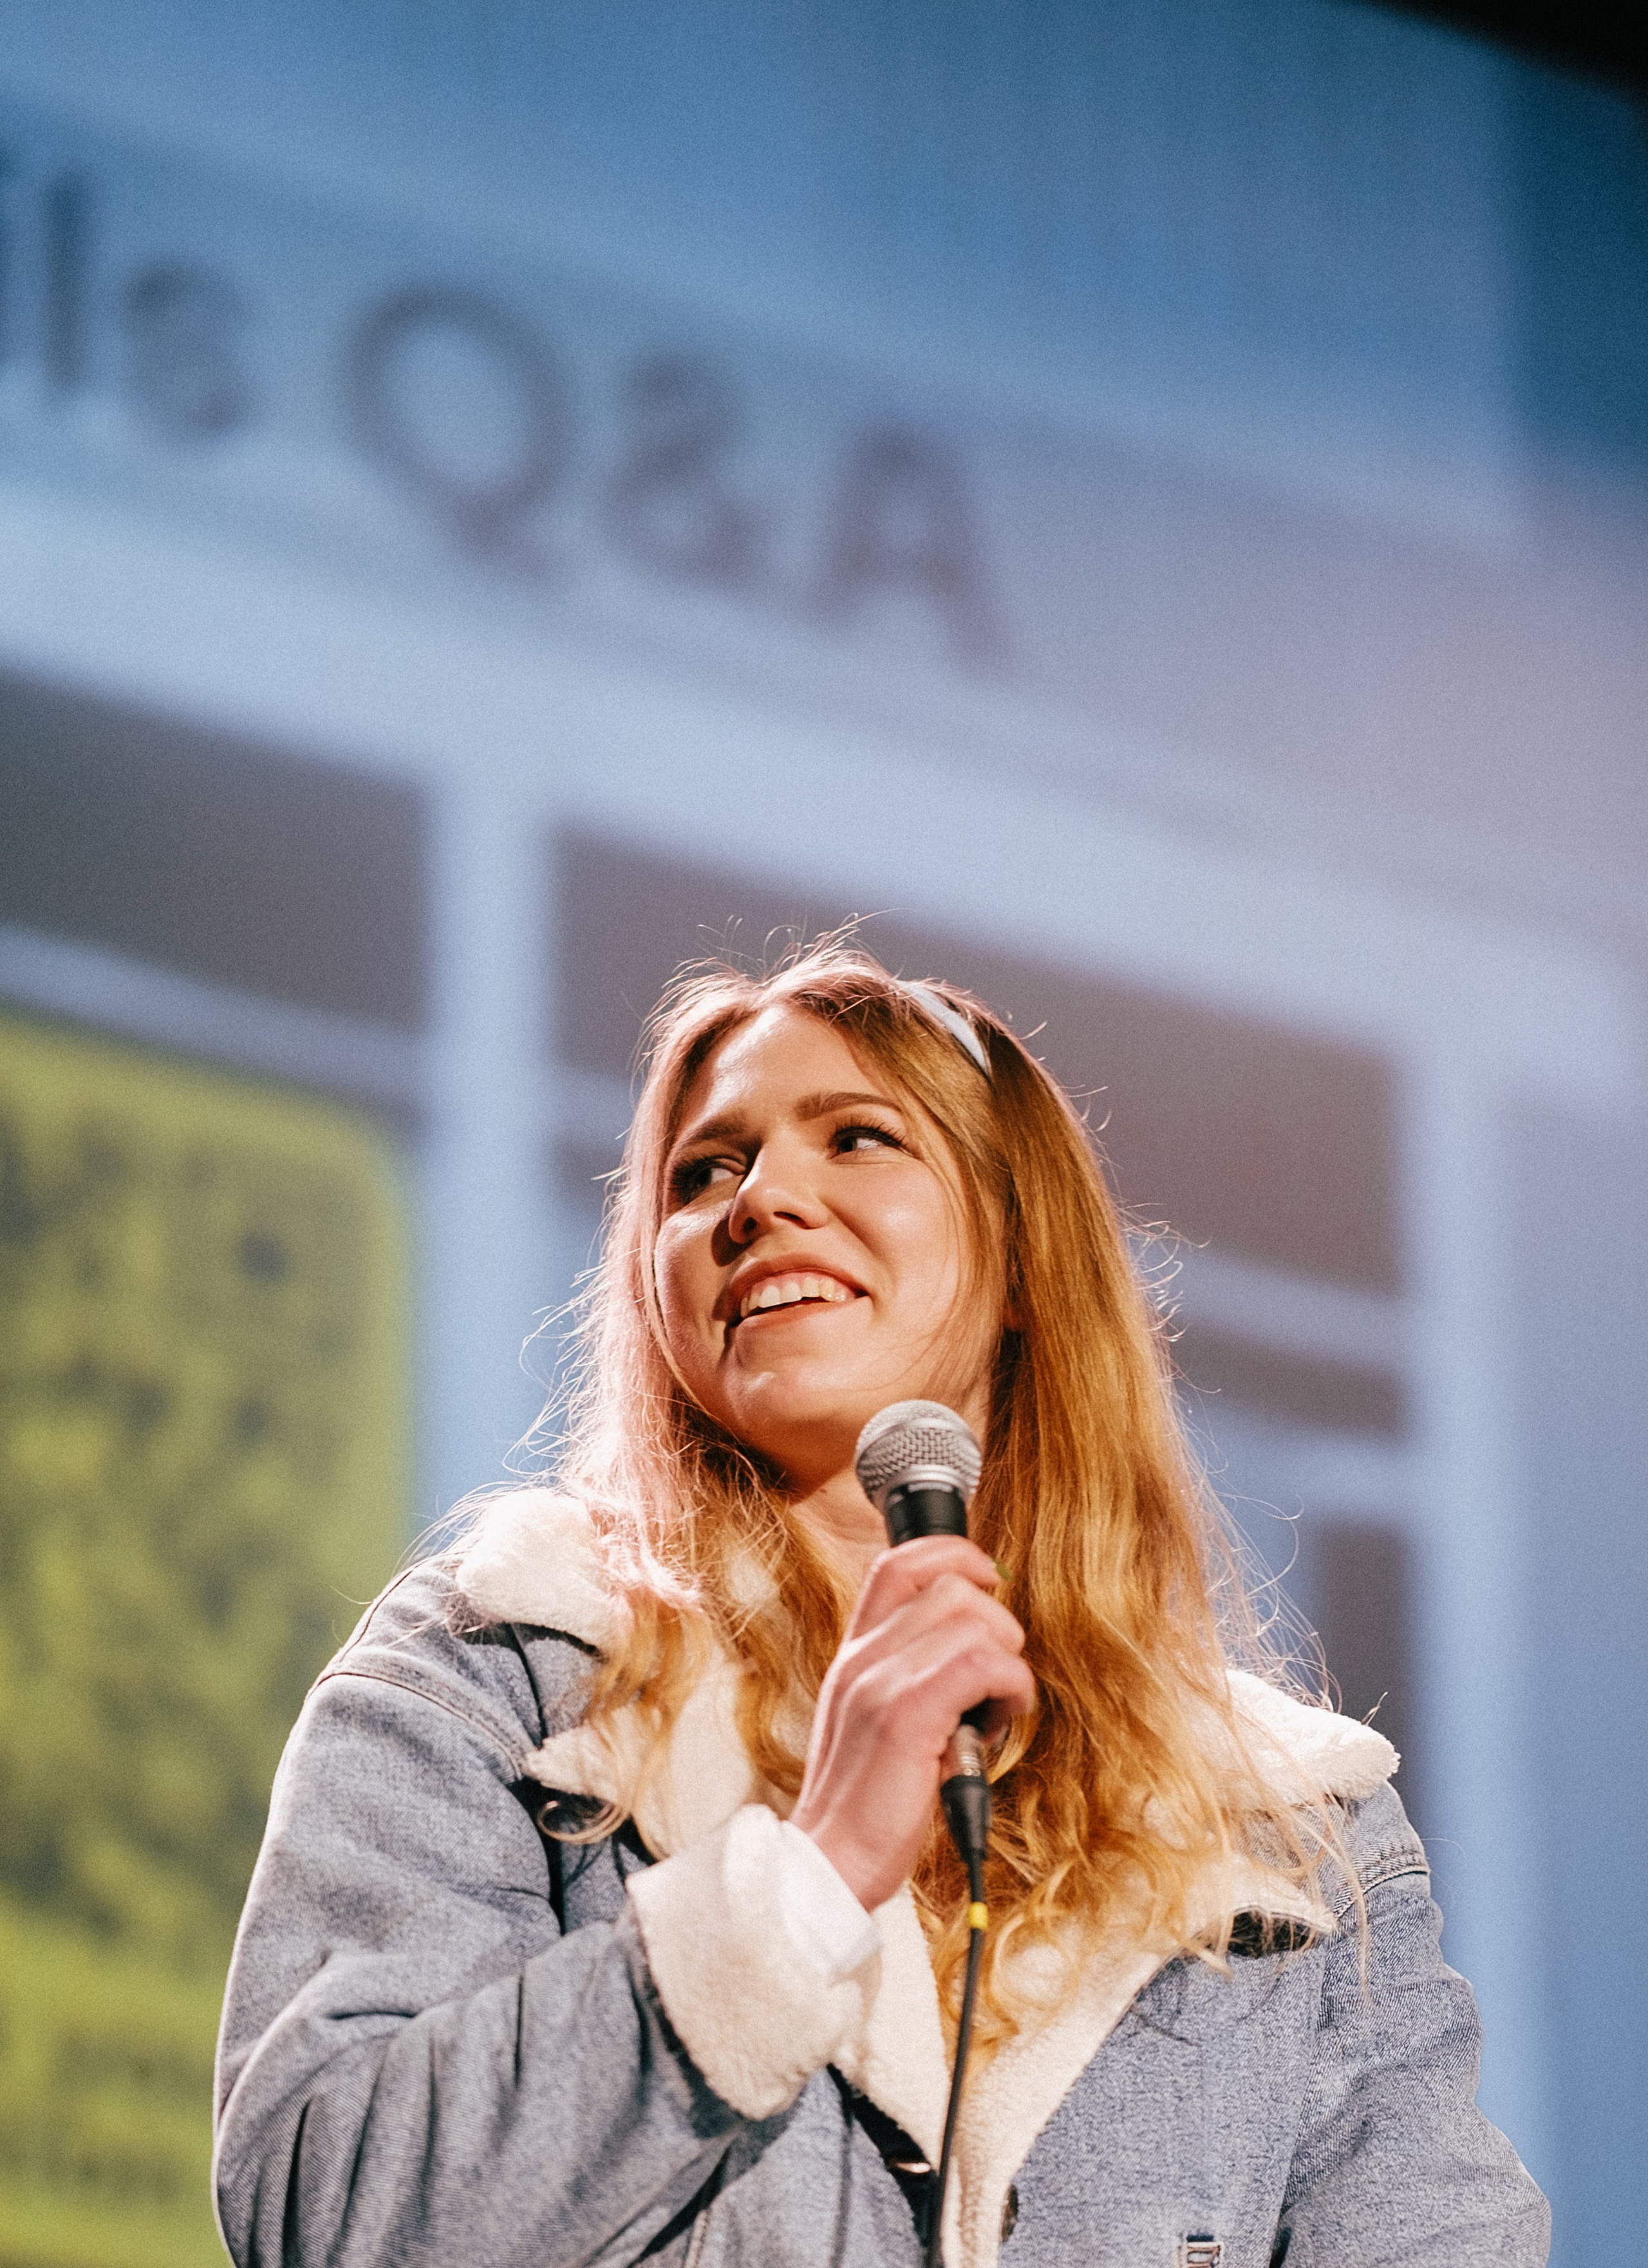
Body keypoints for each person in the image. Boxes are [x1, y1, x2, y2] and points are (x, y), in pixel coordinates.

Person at [213, 944, 1550, 2268]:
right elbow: (322, 2209)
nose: (760, 1198)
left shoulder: (1284, 1828)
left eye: (856, 1137)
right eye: (701, 1173)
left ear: (1024, 1257)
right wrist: (805, 1878)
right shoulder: (500, 1671)